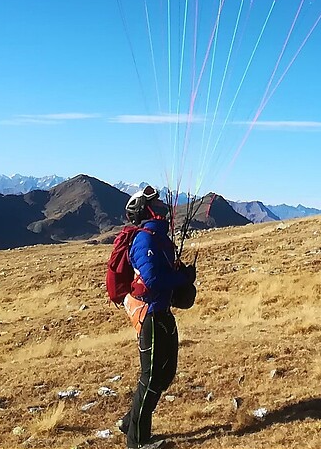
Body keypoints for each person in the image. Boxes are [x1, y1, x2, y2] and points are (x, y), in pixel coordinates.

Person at [117, 186, 195, 449]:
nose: (162, 206)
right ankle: (137, 441)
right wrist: (181, 278)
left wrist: (181, 275)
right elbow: (152, 279)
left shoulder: (160, 238)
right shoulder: (145, 240)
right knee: (151, 378)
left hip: (162, 314)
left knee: (165, 374)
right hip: (150, 316)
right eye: (156, 204)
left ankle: (130, 422)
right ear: (145, 210)